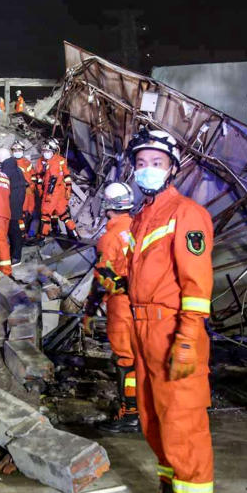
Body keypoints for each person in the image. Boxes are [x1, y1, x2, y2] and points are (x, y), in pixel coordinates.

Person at [124, 129, 214, 493]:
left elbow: (196, 285)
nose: (147, 170)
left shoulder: (187, 214)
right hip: (144, 331)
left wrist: (188, 338)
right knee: (152, 418)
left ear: (173, 169)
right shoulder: (142, 217)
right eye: (141, 164)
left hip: (172, 329)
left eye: (156, 164)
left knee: (182, 420)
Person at [91, 183, 141, 434]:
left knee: (125, 359)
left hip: (121, 304)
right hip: (144, 303)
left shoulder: (109, 239)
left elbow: (102, 279)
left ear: (108, 206)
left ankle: (130, 413)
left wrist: (90, 310)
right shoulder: (140, 228)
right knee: (141, 356)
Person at [38, 138, 80, 240]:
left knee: (45, 213)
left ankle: (42, 237)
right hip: (58, 191)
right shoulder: (48, 161)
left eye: (48, 151)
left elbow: (54, 179)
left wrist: (47, 194)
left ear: (53, 150)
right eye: (44, 151)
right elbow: (40, 176)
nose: (45, 153)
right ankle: (74, 234)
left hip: (53, 191)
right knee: (63, 213)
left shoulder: (56, 162)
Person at [0, 147, 28, 265]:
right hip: (18, 203)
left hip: (11, 205)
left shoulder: (6, 171)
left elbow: (2, 189)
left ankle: (15, 256)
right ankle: (15, 254)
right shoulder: (16, 168)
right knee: (16, 230)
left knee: (13, 231)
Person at [12, 142, 36, 237]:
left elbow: (33, 176)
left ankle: (28, 233)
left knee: (30, 213)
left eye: (19, 150)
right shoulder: (11, 163)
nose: (17, 152)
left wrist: (32, 186)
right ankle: (22, 234)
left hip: (29, 192)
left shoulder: (27, 162)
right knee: (21, 214)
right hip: (20, 193)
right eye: (15, 150)